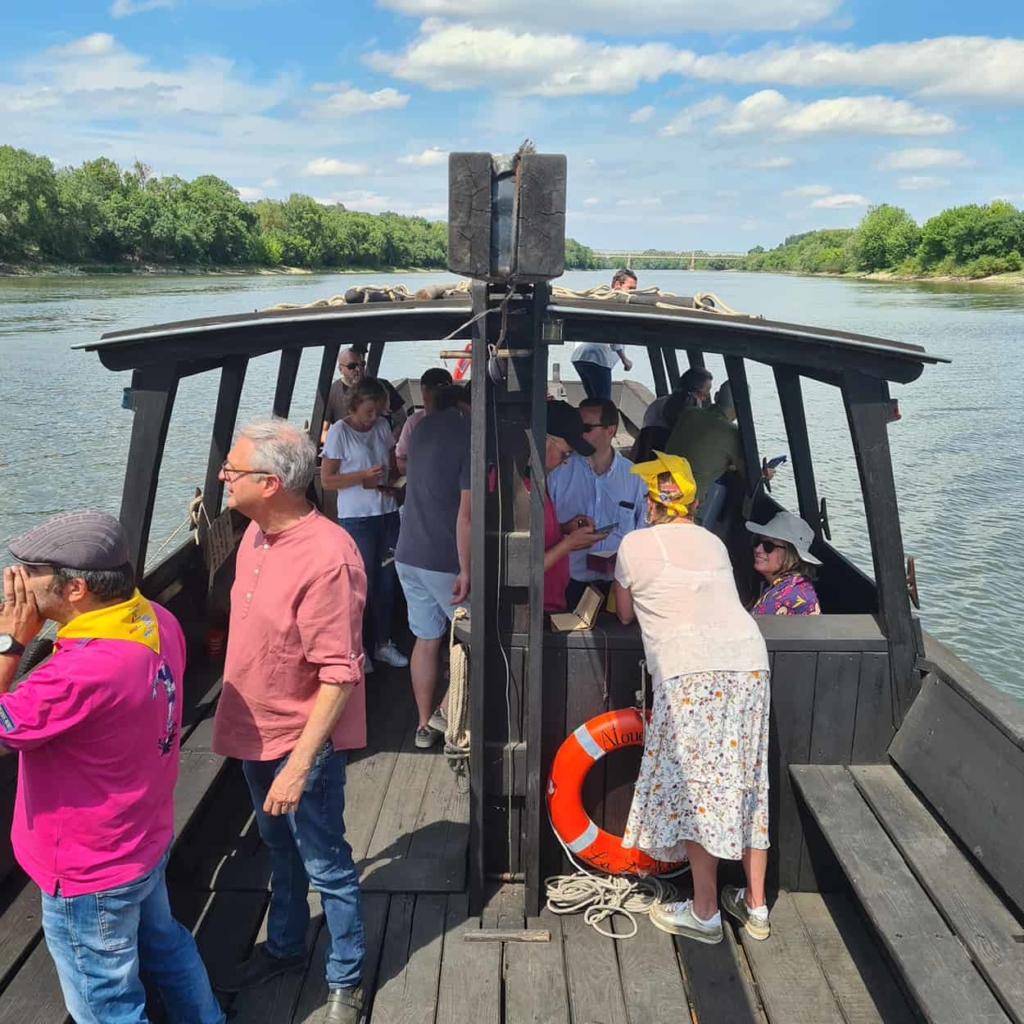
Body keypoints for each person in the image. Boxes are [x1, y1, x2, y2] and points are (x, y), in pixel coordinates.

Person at [0, 511, 224, 1024]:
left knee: (107, 1003)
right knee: (165, 944)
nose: (14, 583)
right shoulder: (153, 620)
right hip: (142, 836)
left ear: (75, 588)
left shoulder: (77, 672)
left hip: (88, 869)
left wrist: (10, 642)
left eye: (27, 572)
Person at [212, 419, 367, 1024]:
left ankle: (345, 980)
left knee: (326, 860)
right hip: (252, 731)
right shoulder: (254, 533)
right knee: (278, 850)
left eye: (233, 470)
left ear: (271, 483)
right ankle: (283, 947)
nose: (223, 478)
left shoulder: (328, 557)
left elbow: (339, 672)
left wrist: (300, 764)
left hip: (299, 742)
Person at [613, 453, 772, 945]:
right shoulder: (713, 541)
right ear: (692, 502)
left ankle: (704, 913)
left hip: (690, 673)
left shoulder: (634, 544)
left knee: (698, 790)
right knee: (749, 781)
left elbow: (622, 613)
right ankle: (756, 905)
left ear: (650, 504)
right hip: (749, 663)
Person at [395, 385, 472, 749]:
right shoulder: (468, 435)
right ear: (464, 406)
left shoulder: (421, 427)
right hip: (444, 560)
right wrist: (466, 569)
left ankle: (423, 726)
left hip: (408, 553)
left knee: (426, 640)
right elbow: (466, 515)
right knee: (476, 639)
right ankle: (446, 712)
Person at [321, 378, 408, 673]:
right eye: (369, 411)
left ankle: (383, 643)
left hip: (386, 512)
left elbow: (389, 465)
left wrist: (390, 485)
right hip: (357, 518)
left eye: (379, 412)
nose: (374, 418)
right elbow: (328, 480)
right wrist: (361, 477)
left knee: (386, 580)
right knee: (361, 583)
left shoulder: (382, 428)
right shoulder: (339, 432)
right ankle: (358, 648)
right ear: (355, 404)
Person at [547, 397, 647, 607]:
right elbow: (542, 527)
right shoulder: (557, 471)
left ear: (610, 431)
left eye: (586, 427)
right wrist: (566, 530)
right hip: (568, 582)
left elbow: (643, 532)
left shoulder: (635, 477)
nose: (579, 432)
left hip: (616, 585)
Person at [540, 401, 604, 613]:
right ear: (544, 441)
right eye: (566, 453)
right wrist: (568, 545)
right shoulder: (521, 488)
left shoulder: (539, 483)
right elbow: (521, 566)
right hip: (534, 611)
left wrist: (564, 528)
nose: (566, 462)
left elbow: (534, 537)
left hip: (552, 603)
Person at [665, 380, 743, 504]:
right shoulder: (733, 433)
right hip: (683, 502)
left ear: (716, 396)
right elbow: (746, 474)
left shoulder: (689, 413)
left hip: (660, 485)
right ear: (742, 407)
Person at [570, 269, 636, 399]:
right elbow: (613, 338)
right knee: (604, 405)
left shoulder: (599, 300)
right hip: (598, 358)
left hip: (579, 357)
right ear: (617, 284)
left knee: (594, 401)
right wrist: (625, 360)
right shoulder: (616, 304)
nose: (633, 292)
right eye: (630, 288)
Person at [324, 343, 407, 438]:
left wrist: (389, 441)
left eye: (362, 364)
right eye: (352, 366)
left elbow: (402, 420)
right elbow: (323, 431)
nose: (358, 369)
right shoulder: (333, 391)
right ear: (340, 369)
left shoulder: (383, 386)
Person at [747, 511, 822, 615]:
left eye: (768, 546)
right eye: (757, 542)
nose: (758, 549)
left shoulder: (783, 598)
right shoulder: (796, 585)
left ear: (791, 555)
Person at [395, 366, 453, 475]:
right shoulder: (413, 422)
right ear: (424, 390)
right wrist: (423, 471)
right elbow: (400, 461)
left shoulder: (458, 421)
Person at [643, 366, 714, 431]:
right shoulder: (691, 404)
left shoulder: (658, 403)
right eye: (705, 391)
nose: (705, 398)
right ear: (695, 388)